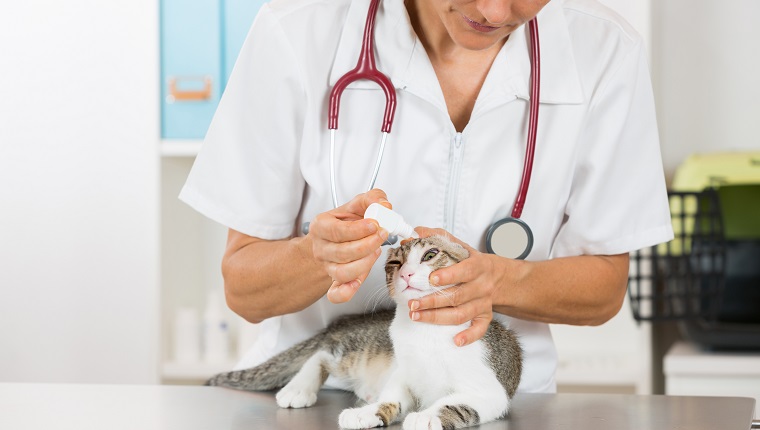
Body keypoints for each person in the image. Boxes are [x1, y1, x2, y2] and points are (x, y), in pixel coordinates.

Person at [179, 0, 673, 394]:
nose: (496, 13)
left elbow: (604, 288)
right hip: (326, 392)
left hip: (488, 401)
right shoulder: (299, 31)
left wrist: (498, 281)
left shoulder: (604, 50)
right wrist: (316, 256)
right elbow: (243, 288)